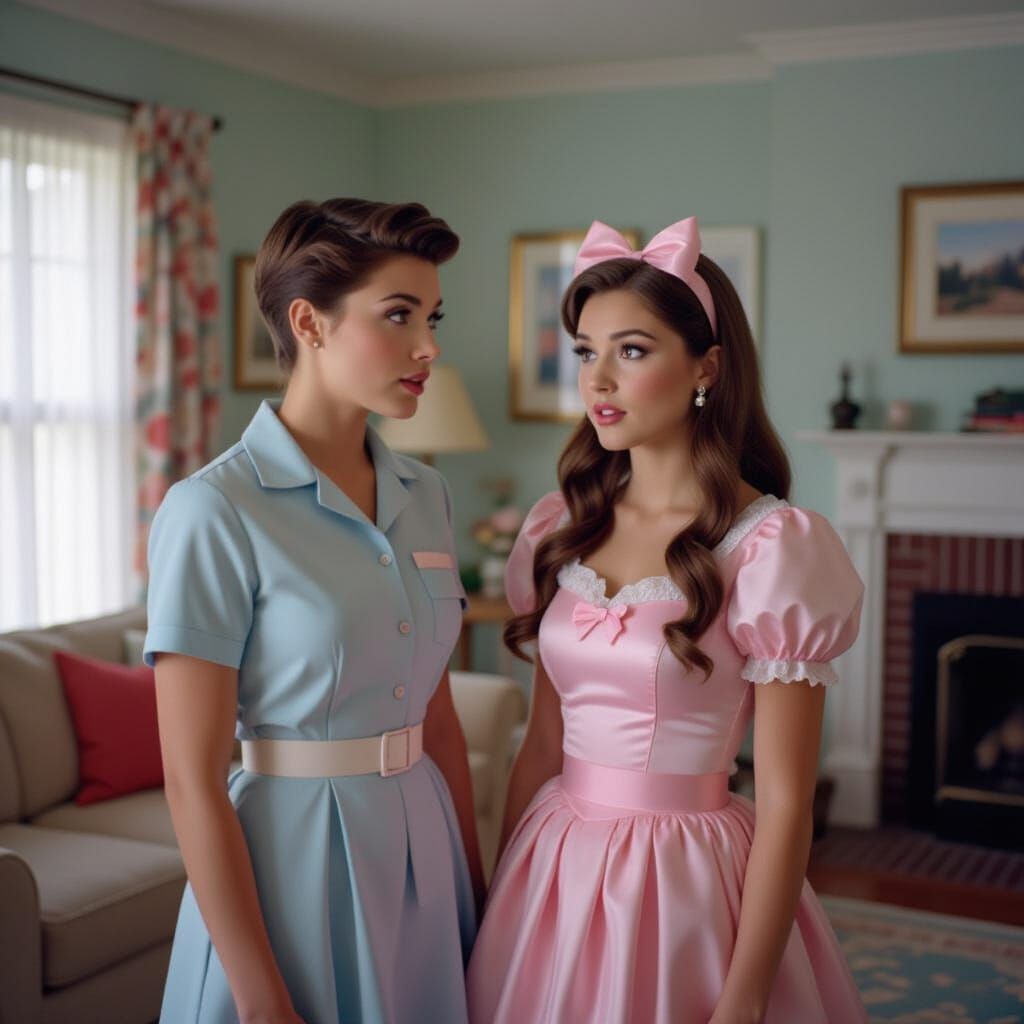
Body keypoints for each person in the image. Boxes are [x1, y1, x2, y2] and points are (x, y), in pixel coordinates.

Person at [466, 218, 867, 1023]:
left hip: (687, 877)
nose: (598, 380)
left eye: (633, 351)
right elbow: (542, 742)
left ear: (705, 370)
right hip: (552, 866)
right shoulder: (559, 528)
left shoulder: (771, 548)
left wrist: (746, 994)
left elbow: (787, 801)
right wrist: (496, 899)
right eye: (586, 351)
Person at [145, 198, 482, 1024]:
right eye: (398, 315)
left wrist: (478, 888)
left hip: (424, 853)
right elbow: (191, 780)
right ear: (309, 323)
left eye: (432, 316)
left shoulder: (428, 494)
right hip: (291, 867)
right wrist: (262, 999)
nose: (428, 346)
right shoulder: (212, 510)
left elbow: (437, 714)